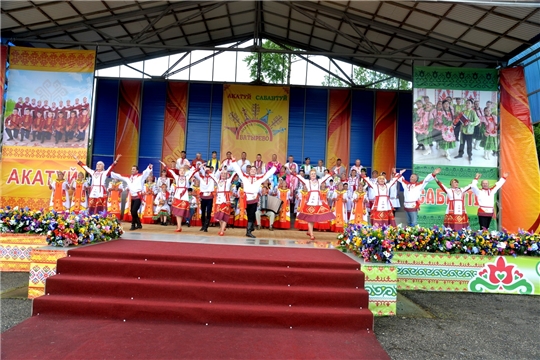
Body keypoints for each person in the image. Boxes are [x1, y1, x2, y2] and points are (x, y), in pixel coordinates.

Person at [231, 156, 277, 238]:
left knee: (252, 214)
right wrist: (234, 161)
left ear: (256, 171)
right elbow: (238, 170)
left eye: (254, 170)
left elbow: (267, 174)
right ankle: (250, 228)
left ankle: (248, 231)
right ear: (249, 171)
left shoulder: (259, 178)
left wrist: (274, 167)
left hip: (254, 198)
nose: (253, 171)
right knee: (249, 215)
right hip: (246, 198)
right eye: (251, 170)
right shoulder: (244, 176)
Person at [291, 168, 335, 240]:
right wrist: (294, 173)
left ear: (316, 175)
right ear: (310, 175)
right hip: (310, 202)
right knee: (310, 218)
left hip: (318, 202)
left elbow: (325, 177)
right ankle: (311, 234)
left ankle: (309, 231)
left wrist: (331, 174)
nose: (313, 175)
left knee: (314, 218)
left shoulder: (319, 181)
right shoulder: (307, 182)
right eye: (312, 174)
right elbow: (300, 177)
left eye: (314, 174)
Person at [111, 164, 153, 230]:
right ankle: (138, 223)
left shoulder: (140, 176)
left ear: (137, 170)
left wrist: (149, 168)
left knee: (133, 211)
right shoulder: (129, 178)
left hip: (138, 196)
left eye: (133, 169)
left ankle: (133, 225)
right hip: (132, 197)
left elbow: (145, 173)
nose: (132, 170)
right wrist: (110, 172)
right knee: (132, 211)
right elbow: (120, 176)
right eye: (131, 169)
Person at [160, 161, 196, 232]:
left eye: (183, 171)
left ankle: (182, 224)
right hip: (177, 196)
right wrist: (164, 165)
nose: (182, 172)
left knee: (181, 212)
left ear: (185, 172)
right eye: (180, 170)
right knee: (177, 213)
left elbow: (194, 171)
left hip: (184, 197)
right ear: (179, 172)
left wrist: (195, 166)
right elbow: (170, 170)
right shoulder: (176, 177)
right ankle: (179, 227)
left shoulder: (187, 177)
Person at [207, 167, 235, 236]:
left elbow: (235, 173)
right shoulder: (218, 181)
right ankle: (222, 227)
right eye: (222, 173)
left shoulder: (228, 181)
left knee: (224, 215)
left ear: (227, 175)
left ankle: (222, 230)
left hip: (226, 200)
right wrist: (206, 170)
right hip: (218, 200)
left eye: (224, 173)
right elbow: (212, 175)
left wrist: (234, 165)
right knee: (218, 215)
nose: (223, 174)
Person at [193, 164, 216, 232]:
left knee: (208, 212)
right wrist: (200, 167)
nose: (207, 171)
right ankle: (203, 225)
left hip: (209, 197)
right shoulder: (201, 177)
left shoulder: (213, 178)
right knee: (203, 212)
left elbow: (218, 174)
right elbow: (194, 172)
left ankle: (206, 226)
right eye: (206, 170)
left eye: (208, 170)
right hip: (203, 197)